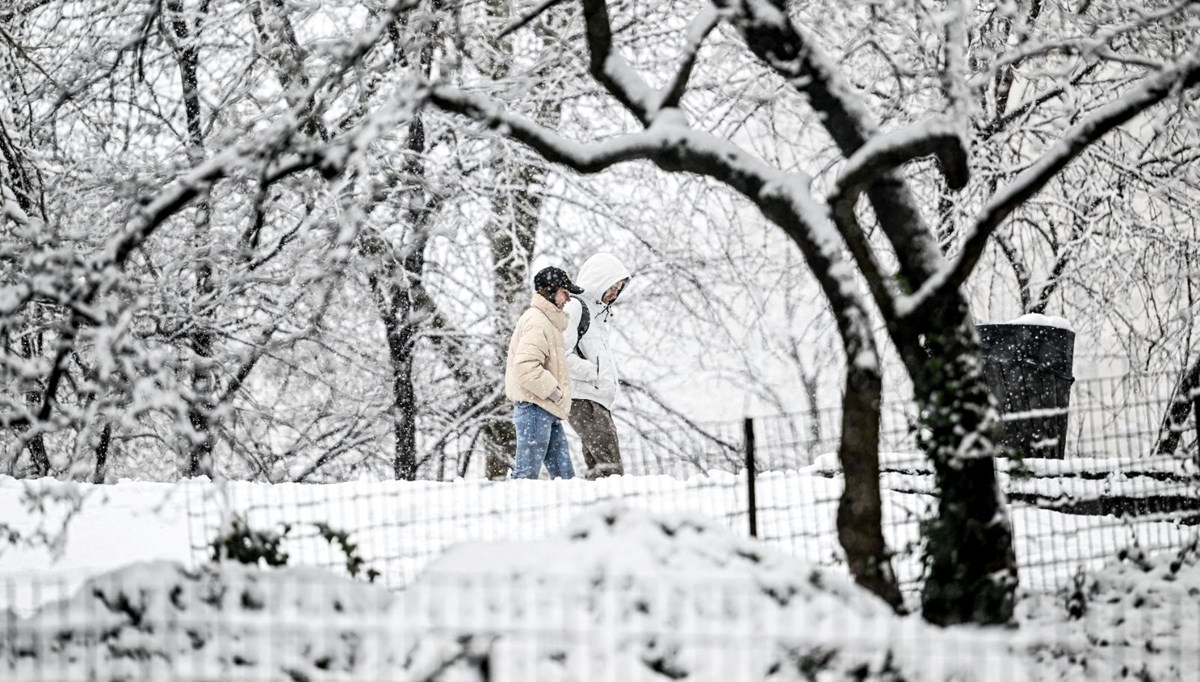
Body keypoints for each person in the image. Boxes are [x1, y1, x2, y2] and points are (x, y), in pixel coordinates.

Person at [505, 266, 584, 480]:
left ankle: (570, 512)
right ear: (550, 291)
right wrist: (554, 391)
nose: (568, 298)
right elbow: (525, 367)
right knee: (526, 477)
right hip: (535, 408)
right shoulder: (537, 321)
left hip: (546, 408)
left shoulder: (548, 323)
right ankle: (515, 512)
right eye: (564, 292)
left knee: (565, 478)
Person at [563, 253, 632, 479]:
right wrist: (592, 372)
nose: (614, 293)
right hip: (584, 399)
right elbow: (559, 354)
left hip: (596, 399)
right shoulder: (576, 308)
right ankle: (613, 510)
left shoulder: (597, 315)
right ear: (598, 280)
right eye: (611, 286)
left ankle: (598, 509)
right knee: (611, 468)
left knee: (599, 471)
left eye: (618, 288)